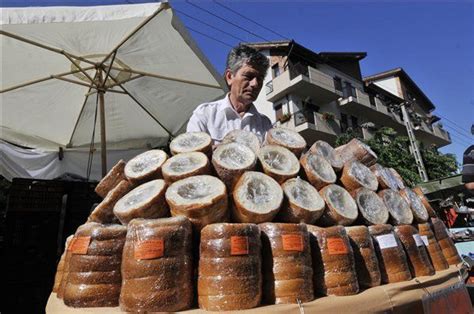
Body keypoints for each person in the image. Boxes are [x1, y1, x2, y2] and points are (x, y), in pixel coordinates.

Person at [186, 44, 272, 144]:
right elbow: (193, 154)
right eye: (248, 76)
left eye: (260, 79)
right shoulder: (205, 114)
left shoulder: (265, 124)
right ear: (230, 77)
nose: (255, 84)